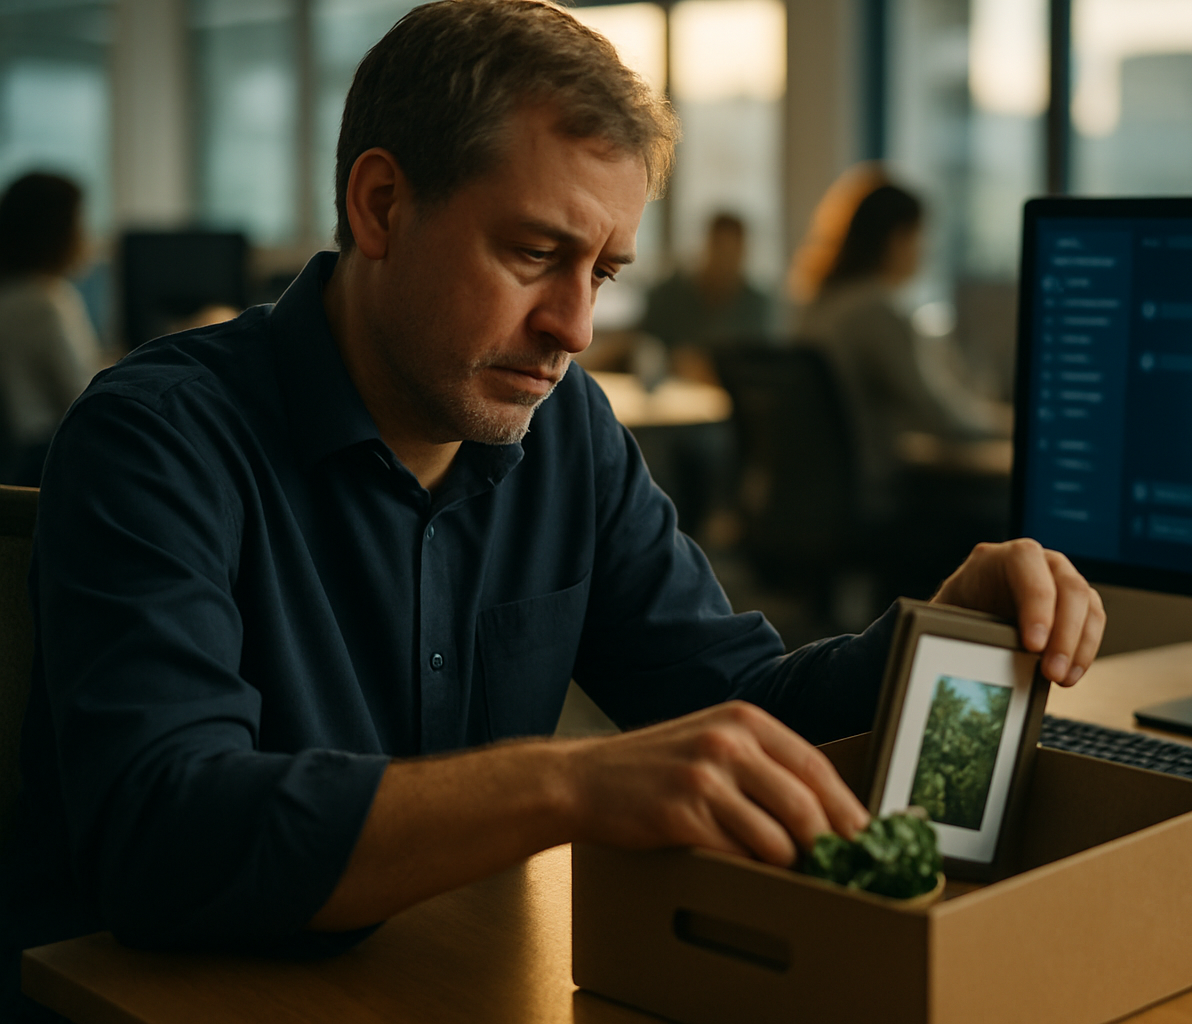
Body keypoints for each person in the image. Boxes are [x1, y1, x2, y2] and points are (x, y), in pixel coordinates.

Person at [2, 2, 1104, 1015]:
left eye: (604, 273)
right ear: (381, 205)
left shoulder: (565, 428)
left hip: (444, 983)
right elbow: (165, 836)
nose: (574, 328)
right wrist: (569, 784)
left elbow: (738, 708)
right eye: (535, 254)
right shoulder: (156, 438)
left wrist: (934, 637)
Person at [795, 183, 1009, 519]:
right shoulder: (876, 312)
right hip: (878, 497)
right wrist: (1011, 425)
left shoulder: (820, 305)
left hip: (817, 496)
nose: (925, 251)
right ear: (898, 238)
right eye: (921, 237)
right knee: (998, 508)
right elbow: (940, 415)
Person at [0, 172, 100, 485]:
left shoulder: (10, 294)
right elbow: (86, 397)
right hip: (44, 463)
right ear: (59, 232)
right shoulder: (47, 301)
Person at [639, 211, 771, 370]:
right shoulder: (668, 296)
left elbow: (762, 362)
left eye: (732, 252)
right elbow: (643, 346)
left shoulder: (756, 306)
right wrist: (675, 360)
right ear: (707, 247)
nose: (725, 262)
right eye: (720, 250)